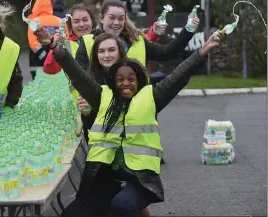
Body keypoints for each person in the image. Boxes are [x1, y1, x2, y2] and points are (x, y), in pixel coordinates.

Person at [41, 29, 223, 217]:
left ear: (139, 79)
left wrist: (204, 50)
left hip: (140, 178)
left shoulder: (152, 97)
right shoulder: (102, 95)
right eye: (119, 79)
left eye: (131, 79)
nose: (125, 83)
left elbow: (179, 76)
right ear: (112, 82)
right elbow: (77, 74)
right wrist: (55, 47)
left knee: (123, 205)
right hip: (106, 174)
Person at [43, 2, 166, 76]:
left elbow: (137, 45)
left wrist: (154, 34)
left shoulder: (103, 39)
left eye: (85, 20)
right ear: (71, 24)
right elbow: (49, 69)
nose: (81, 25)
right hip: (77, 107)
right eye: (76, 21)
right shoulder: (66, 43)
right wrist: (56, 47)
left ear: (93, 20)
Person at [26, 0, 62, 80]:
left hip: (38, 62)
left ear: (37, 5)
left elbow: (33, 43)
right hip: (56, 60)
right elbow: (65, 39)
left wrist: (44, 57)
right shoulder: (59, 21)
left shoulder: (34, 21)